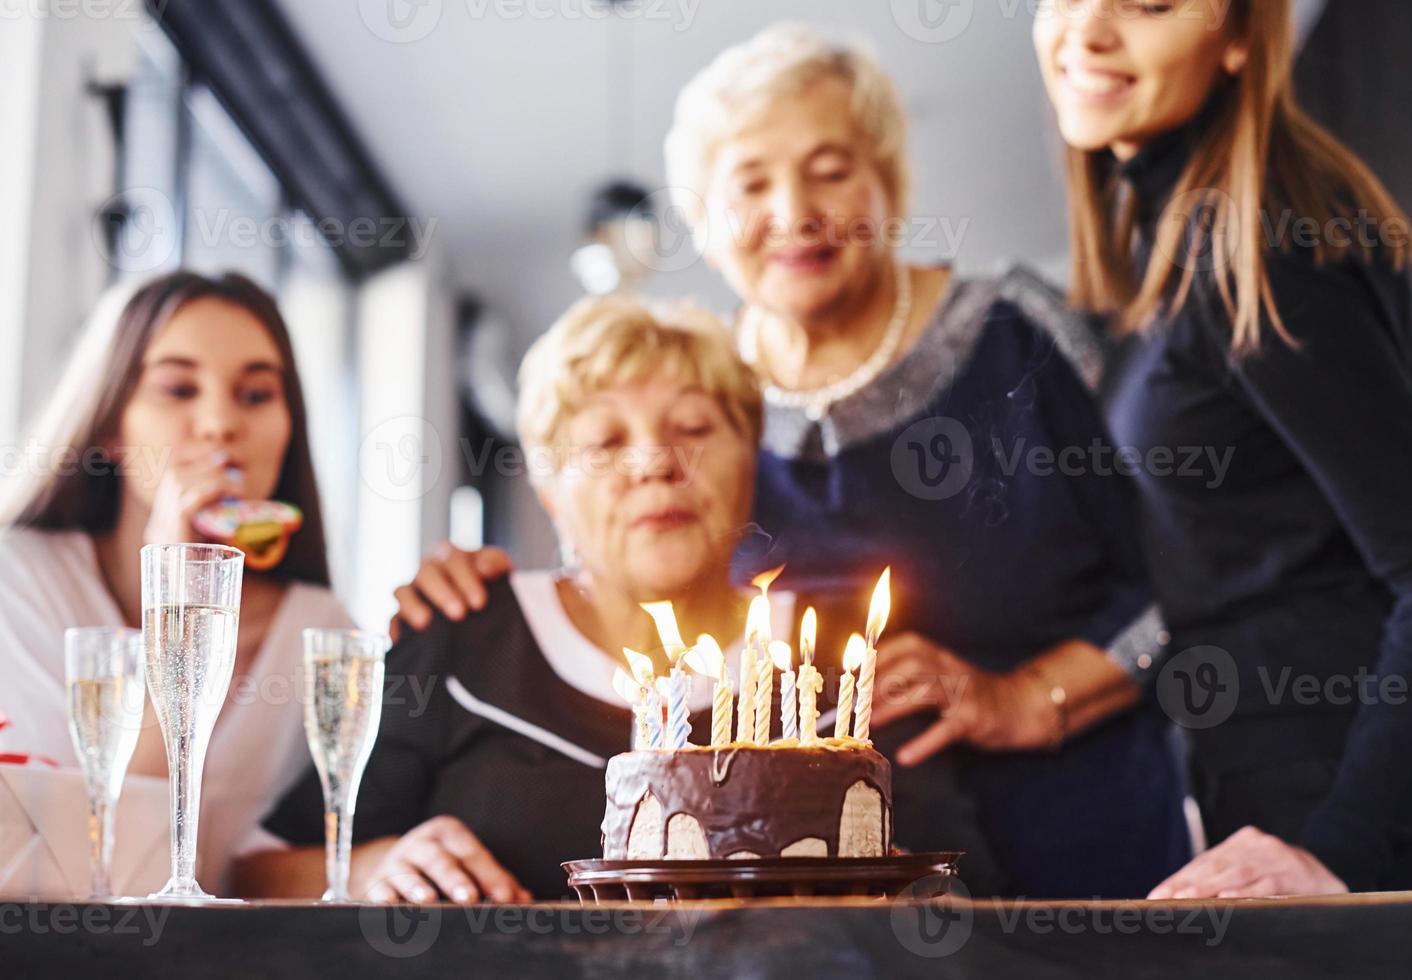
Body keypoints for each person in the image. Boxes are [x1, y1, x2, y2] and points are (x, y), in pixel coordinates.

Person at [391, 24, 1190, 898]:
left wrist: (1026, 698)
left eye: (829, 168)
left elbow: (1185, 575)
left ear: (886, 182)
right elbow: (639, 577)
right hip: (844, 883)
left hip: (1078, 835)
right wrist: (480, 582)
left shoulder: (1024, 336)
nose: (792, 211)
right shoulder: (706, 402)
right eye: (750, 183)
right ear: (705, 217)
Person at [1033, 0, 1412, 896]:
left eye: (1147, 4)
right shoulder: (1172, 233)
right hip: (1270, 793)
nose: (1085, 29)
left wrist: (1335, 850)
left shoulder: (1262, 243)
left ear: (1237, 38)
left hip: (1354, 818)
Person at [236, 296, 799, 901]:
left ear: (750, 456)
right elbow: (254, 866)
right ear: (548, 489)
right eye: (605, 441)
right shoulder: (461, 637)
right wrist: (374, 867)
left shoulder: (841, 671)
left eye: (694, 428)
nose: (655, 463)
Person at [0, 271, 354, 894]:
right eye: (178, 388)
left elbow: (304, 868)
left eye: (255, 395)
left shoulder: (322, 630)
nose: (219, 424)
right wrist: (178, 581)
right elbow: (86, 866)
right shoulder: (17, 580)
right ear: (109, 425)